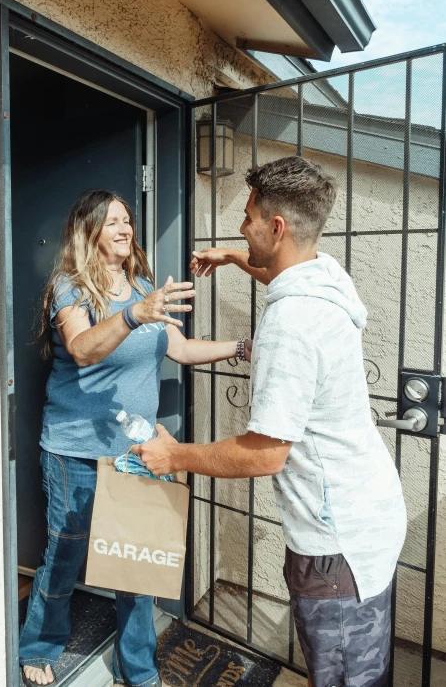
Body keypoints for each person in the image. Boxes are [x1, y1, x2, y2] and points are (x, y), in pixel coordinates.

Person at [133, 157, 407, 687]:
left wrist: (175, 456)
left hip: (338, 544)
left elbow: (264, 452)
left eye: (249, 215)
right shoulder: (325, 277)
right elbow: (273, 268)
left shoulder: (291, 321)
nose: (241, 224)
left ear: (276, 227)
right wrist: (235, 257)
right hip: (367, 517)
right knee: (356, 666)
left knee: (346, 675)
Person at [20, 189, 249, 687]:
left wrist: (242, 347)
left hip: (136, 449)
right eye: (112, 222)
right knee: (66, 554)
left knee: (135, 562)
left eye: (127, 220)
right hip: (75, 449)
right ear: (89, 232)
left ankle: (139, 670)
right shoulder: (70, 288)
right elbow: (82, 349)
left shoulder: (143, 286)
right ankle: (39, 646)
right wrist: (131, 315)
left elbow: (182, 349)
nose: (125, 229)